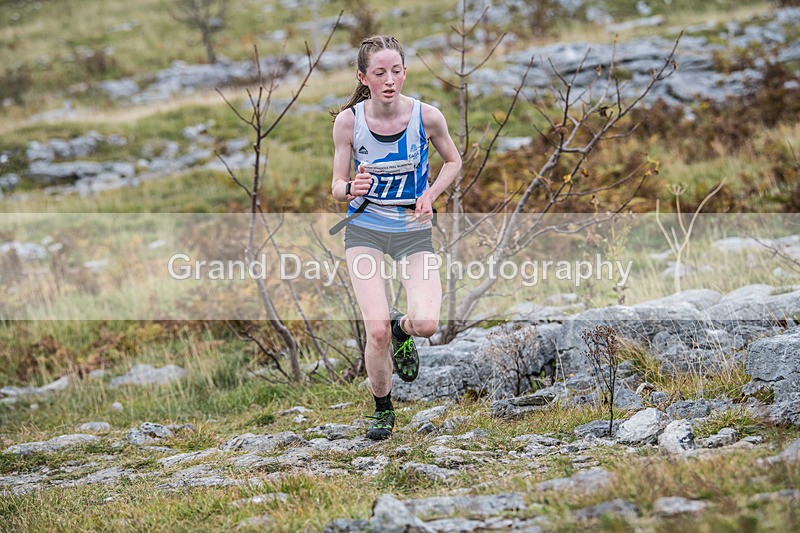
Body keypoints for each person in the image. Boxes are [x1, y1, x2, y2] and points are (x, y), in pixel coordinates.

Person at [330, 35, 462, 440]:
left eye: (396, 71)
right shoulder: (349, 122)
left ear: (405, 72)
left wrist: (430, 195)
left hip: (411, 229)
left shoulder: (428, 117)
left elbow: (453, 161)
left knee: (426, 323)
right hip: (365, 228)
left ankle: (402, 330)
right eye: (379, 73)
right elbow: (335, 186)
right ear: (363, 78)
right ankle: (383, 409)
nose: (389, 80)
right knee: (376, 331)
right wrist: (350, 188)